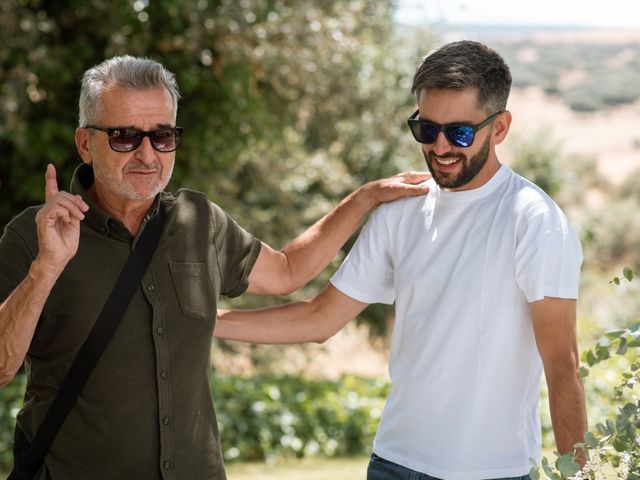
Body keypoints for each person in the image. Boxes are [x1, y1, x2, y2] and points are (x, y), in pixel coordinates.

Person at [0, 55, 430, 479]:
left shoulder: (198, 220)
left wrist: (365, 198)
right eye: (125, 136)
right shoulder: (35, 236)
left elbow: (286, 272)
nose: (148, 154)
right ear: (84, 143)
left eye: (162, 136)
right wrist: (45, 270)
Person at [216, 40, 588, 479]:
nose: (440, 146)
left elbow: (561, 365)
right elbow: (318, 319)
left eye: (460, 133)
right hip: (393, 465)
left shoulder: (534, 220)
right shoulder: (400, 211)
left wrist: (581, 474)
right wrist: (204, 318)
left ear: (500, 127)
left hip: (491, 472)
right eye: (427, 130)